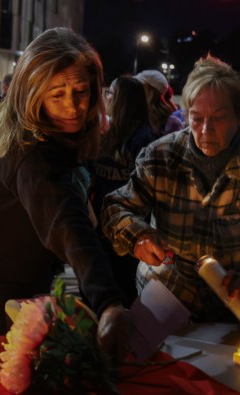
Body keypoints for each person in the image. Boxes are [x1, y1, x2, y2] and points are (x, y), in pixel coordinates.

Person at [0, 27, 129, 358]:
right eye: (57, 95)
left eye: (81, 91)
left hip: (30, 265)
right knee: (3, 361)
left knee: (34, 356)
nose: (73, 107)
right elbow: (66, 219)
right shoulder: (29, 151)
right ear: (32, 94)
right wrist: (108, 302)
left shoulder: (63, 131)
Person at [102, 55, 240, 328]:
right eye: (196, 119)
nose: (206, 131)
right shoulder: (161, 156)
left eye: (218, 119)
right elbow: (116, 207)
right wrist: (137, 236)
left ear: (239, 116)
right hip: (165, 297)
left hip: (232, 306)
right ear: (185, 115)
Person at [90, 76, 157, 306]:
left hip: (127, 235)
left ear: (123, 100)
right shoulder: (104, 133)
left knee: (122, 295)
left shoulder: (143, 139)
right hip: (99, 227)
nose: (106, 98)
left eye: (111, 94)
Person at [135, 69, 183, 136]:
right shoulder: (133, 116)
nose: (134, 91)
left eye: (139, 87)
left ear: (150, 92)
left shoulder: (172, 123)